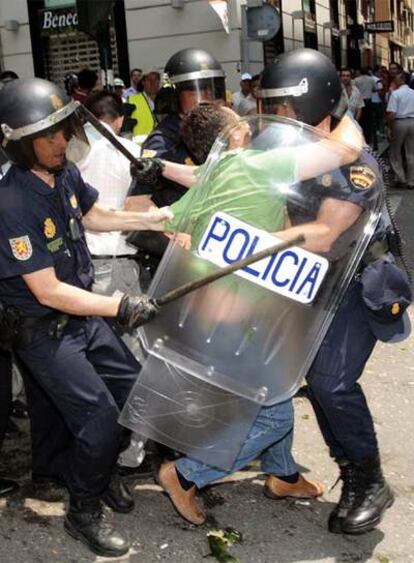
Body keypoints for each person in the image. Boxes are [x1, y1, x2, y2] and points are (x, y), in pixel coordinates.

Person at [128, 80, 367, 524]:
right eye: (243, 124)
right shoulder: (260, 165)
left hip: (211, 315)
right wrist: (334, 101)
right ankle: (186, 475)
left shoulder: (213, 176)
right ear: (236, 135)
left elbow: (158, 217)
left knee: (276, 388)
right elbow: (347, 150)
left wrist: (153, 184)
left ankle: (283, 474)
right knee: (273, 410)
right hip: (250, 317)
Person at [0, 77, 171, 557]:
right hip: (44, 330)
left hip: (82, 314)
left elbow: (93, 215)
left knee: (132, 387)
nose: (61, 143)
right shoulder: (10, 202)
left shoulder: (63, 173)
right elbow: (48, 290)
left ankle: (102, 469)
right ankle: (83, 510)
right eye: (47, 136)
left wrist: (151, 219)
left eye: (63, 130)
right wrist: (121, 306)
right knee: (98, 415)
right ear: (18, 144)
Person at [258, 48, 411, 536]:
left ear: (309, 101)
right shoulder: (302, 154)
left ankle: (370, 483)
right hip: (314, 281)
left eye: (282, 104)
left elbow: (324, 234)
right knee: (317, 382)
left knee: (332, 383)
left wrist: (252, 244)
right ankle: (350, 469)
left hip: (357, 283)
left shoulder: (355, 163)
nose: (276, 115)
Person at [125, 48, 227, 288]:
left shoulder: (225, 133)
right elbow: (137, 203)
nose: (206, 99)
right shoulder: (162, 141)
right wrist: (174, 237)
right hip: (176, 262)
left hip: (217, 252)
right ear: (174, 97)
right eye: (195, 93)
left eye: (211, 91)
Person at [386, 71, 414, 189]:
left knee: (395, 152)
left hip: (400, 122)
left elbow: (392, 114)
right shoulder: (413, 93)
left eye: (396, 78)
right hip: (413, 121)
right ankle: (411, 180)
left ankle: (401, 178)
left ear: (401, 79)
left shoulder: (396, 94)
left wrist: (390, 128)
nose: (394, 81)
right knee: (411, 152)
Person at [128, 69, 160, 144]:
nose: (153, 83)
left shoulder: (166, 100)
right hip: (140, 149)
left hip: (161, 148)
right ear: (143, 82)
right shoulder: (132, 100)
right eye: (150, 80)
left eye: (156, 80)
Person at [354, 67, 376, 145]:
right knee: (369, 121)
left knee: (361, 120)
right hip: (369, 101)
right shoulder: (371, 79)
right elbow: (374, 89)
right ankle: (368, 138)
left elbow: (354, 90)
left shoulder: (356, 80)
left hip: (360, 101)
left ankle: (361, 137)